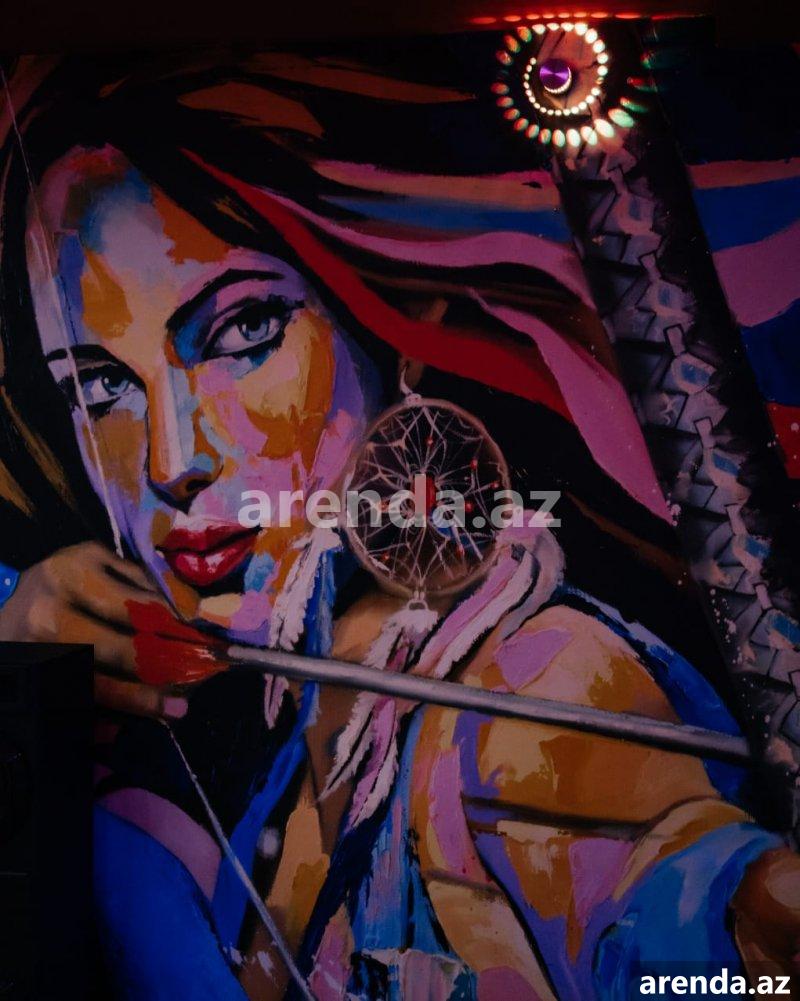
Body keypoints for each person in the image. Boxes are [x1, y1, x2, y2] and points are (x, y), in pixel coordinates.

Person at [0, 55, 797, 1000]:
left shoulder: (527, 683)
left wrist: (744, 932)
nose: (172, 460)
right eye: (101, 386)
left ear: (385, 326)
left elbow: (686, 909)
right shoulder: (277, 745)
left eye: (245, 332)